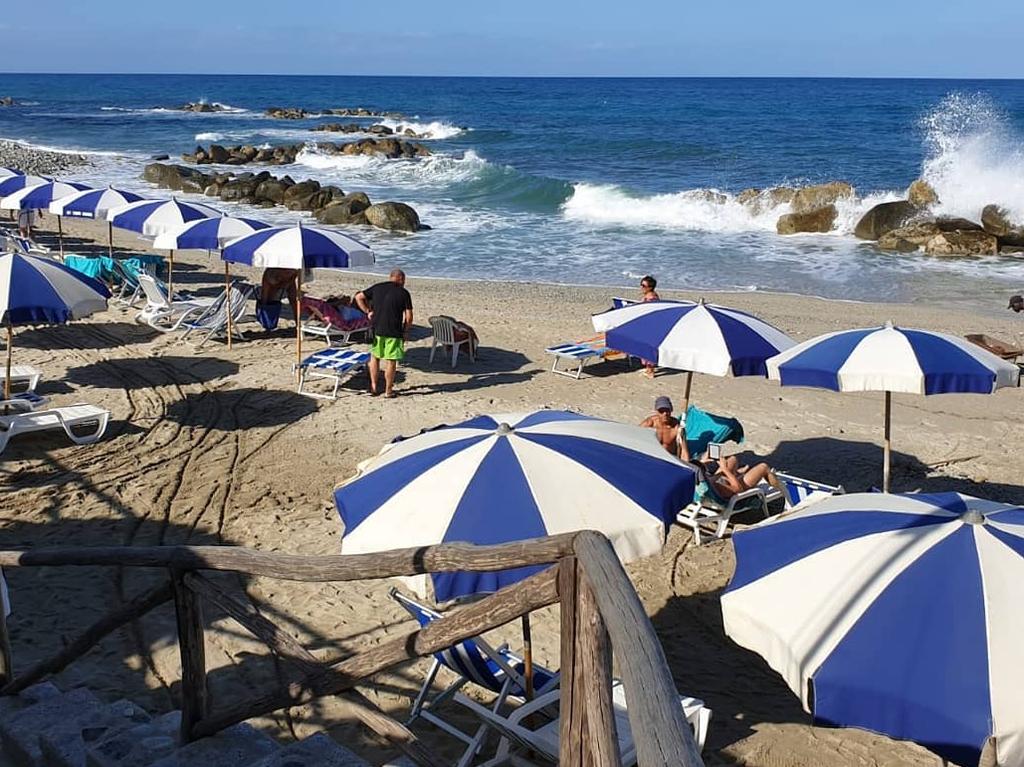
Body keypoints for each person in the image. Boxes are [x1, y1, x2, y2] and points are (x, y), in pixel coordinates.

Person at [355, 269, 413, 398]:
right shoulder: (404, 293)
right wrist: (406, 331)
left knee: (375, 357)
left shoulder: (377, 287)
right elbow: (408, 317)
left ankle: (374, 387)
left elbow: (358, 297)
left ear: (390, 277)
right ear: (401, 279)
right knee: (391, 361)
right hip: (394, 331)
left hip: (377, 329)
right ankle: (388, 391)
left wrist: (367, 311)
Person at [639, 275, 660, 379]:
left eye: (643, 285)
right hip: (647, 324)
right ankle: (648, 369)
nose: (641, 287)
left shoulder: (652, 297)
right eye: (641, 285)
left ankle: (650, 370)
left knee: (648, 347)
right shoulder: (649, 296)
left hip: (650, 326)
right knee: (645, 347)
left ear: (650, 287)